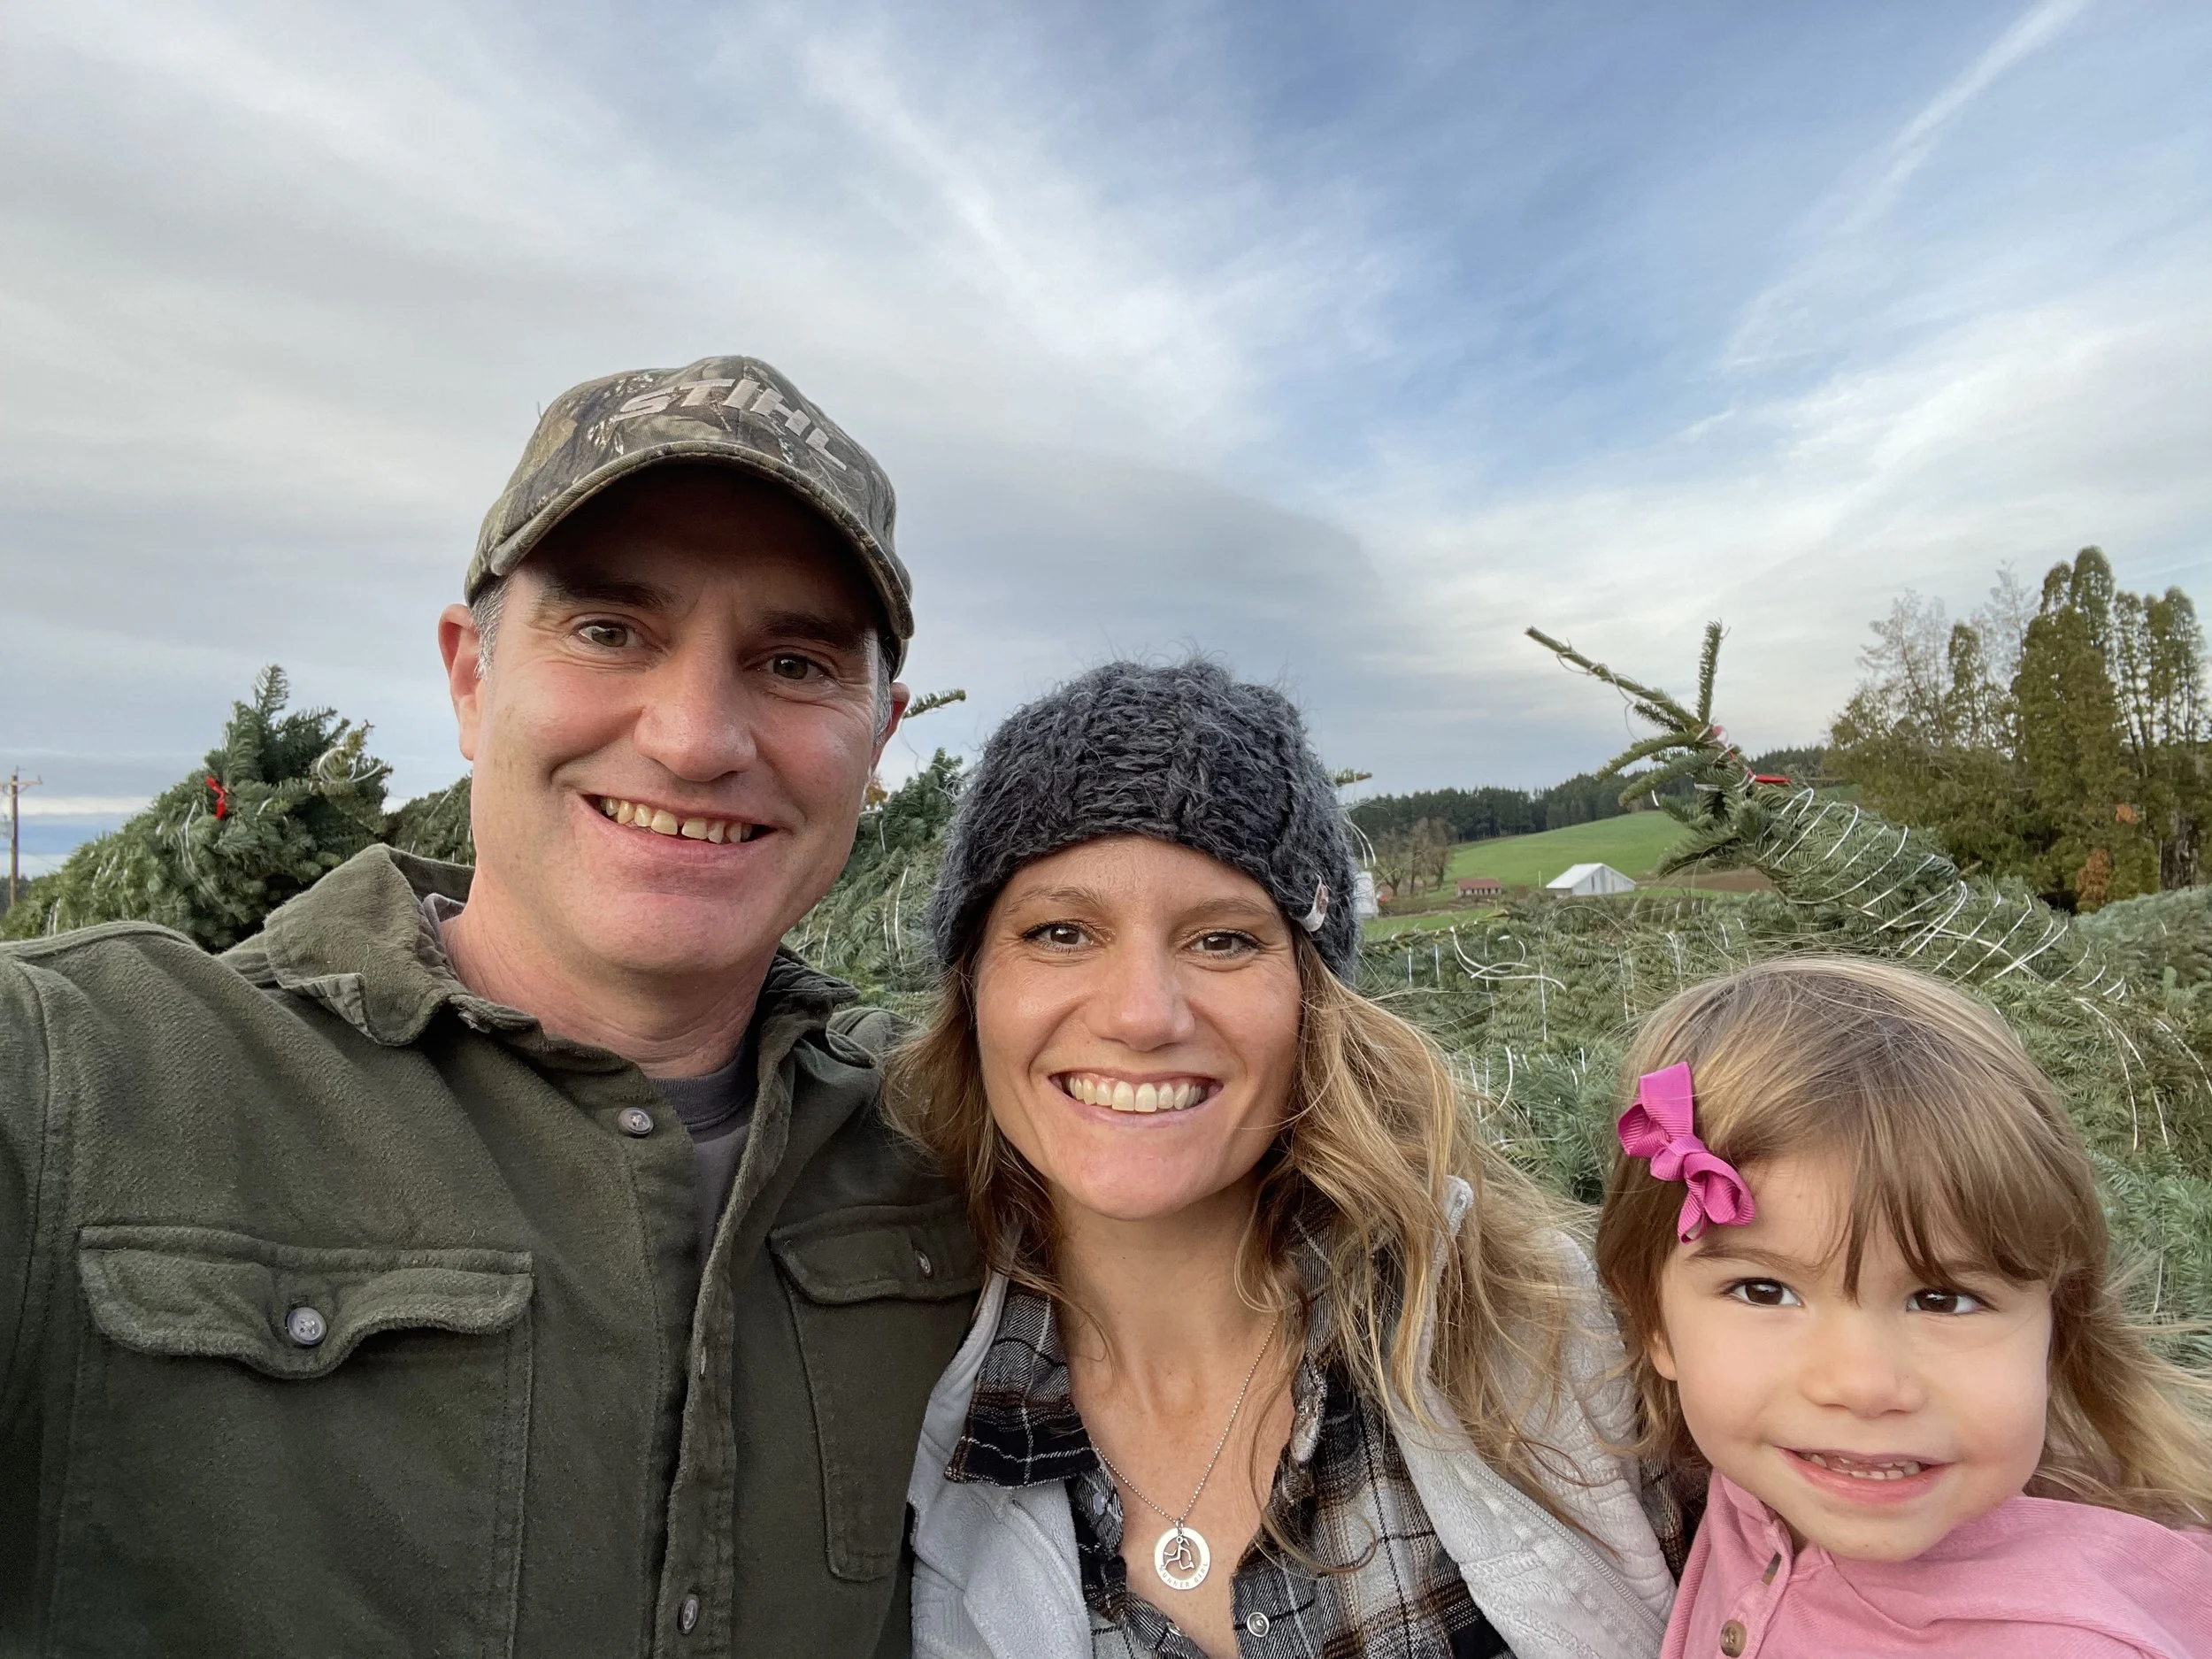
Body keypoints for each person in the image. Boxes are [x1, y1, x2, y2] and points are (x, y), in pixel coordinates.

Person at [0, 357, 981, 1657]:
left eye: (794, 661)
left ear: (878, 732)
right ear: (471, 677)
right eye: (610, 629)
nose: (694, 736)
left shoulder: (961, 1158)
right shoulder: (85, 1080)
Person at [889, 659, 1676, 1659]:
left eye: (1222, 940)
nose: (1141, 1014)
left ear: (1313, 999)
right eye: (1059, 932)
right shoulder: (889, 1401)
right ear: (972, 986)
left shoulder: (1532, 1339)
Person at [1594, 956, 2212, 1658]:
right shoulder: (1758, 1484)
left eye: (1942, 1299)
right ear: (1654, 1316)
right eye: (1764, 1291)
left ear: (2055, 1328)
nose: (1862, 1385)